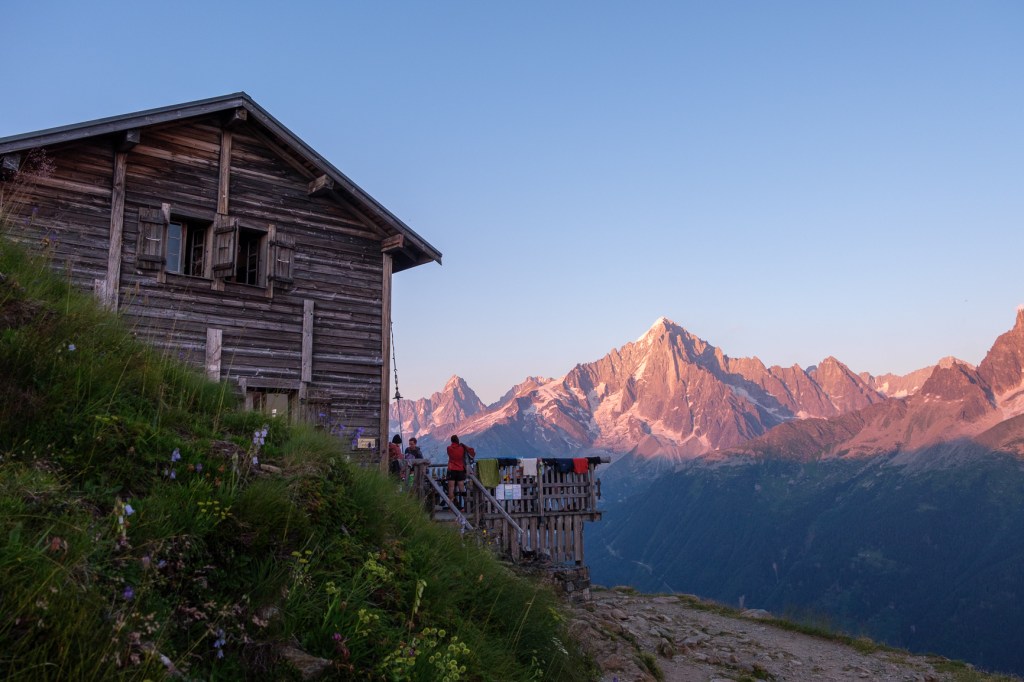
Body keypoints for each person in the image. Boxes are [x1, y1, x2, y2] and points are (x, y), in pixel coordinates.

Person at [446, 435, 469, 510]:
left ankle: (451, 507)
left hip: (451, 469)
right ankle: (465, 505)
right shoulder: (462, 448)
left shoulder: (449, 448)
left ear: (451, 441)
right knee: (462, 488)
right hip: (460, 469)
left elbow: (449, 455)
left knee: (451, 488)